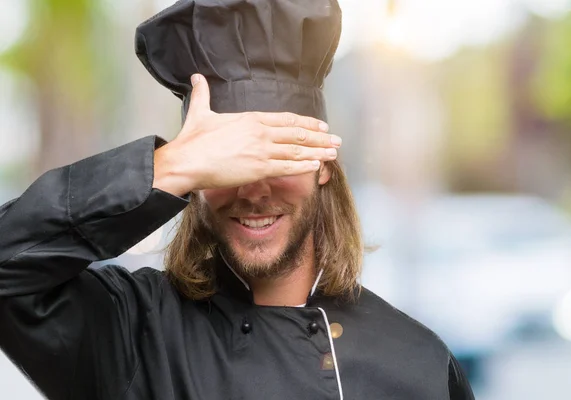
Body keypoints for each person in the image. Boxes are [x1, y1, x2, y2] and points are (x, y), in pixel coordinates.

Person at [0, 0, 474, 399]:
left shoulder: (419, 364)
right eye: (229, 162)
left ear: (323, 163)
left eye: (275, 156)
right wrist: (171, 164)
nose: (253, 190)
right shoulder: (131, 330)